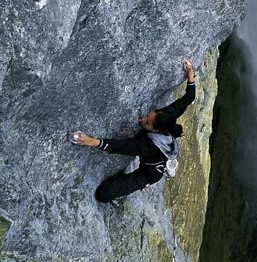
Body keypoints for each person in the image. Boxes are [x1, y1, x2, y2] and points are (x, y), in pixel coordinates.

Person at [71, 58, 196, 203]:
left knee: (103, 195)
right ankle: (167, 165)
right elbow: (189, 98)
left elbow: (123, 146)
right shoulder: (168, 116)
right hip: (162, 151)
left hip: (149, 174)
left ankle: (158, 172)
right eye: (148, 116)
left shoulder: (148, 146)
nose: (142, 120)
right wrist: (190, 73)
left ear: (156, 130)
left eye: (147, 123)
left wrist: (90, 141)